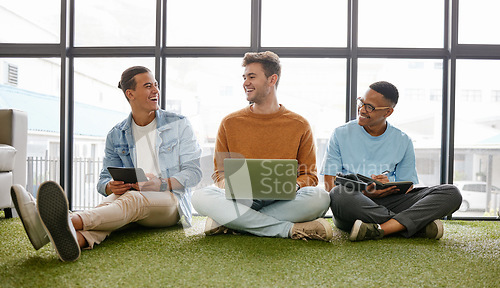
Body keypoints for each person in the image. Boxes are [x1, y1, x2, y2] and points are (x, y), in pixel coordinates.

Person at [11, 66, 202, 261]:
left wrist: (160, 183)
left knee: (131, 200)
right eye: (148, 86)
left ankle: (60, 222)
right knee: (108, 209)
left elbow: (194, 173)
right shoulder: (116, 134)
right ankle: (75, 240)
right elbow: (103, 181)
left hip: (171, 203)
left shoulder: (179, 124)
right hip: (132, 201)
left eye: (156, 85)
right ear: (130, 94)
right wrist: (111, 186)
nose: (156, 91)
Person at [191, 51, 332, 241]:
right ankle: (287, 230)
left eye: (252, 77)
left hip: (283, 199)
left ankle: (231, 222)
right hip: (241, 200)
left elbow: (310, 176)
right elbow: (219, 173)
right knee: (199, 197)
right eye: (244, 77)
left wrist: (296, 184)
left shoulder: (299, 124)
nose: (245, 83)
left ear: (272, 79)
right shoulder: (229, 122)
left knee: (320, 198)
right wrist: (230, 186)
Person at [321, 81, 462, 241]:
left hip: (390, 201)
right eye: (361, 102)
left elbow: (407, 186)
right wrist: (365, 193)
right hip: (354, 205)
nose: (361, 109)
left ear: (388, 112)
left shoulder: (403, 140)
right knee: (338, 193)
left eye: (369, 107)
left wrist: (387, 187)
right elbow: (329, 184)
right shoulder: (340, 134)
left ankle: (380, 229)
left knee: (451, 192)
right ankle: (411, 226)